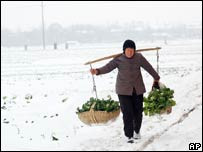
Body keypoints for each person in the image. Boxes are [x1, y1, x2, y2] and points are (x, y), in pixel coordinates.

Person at [90, 39, 160, 143]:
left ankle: (137, 131)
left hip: (137, 89)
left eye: (132, 50)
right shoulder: (118, 59)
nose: (130, 52)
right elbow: (108, 67)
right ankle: (129, 135)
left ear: (135, 50)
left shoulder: (139, 57)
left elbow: (148, 67)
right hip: (123, 90)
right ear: (124, 50)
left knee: (138, 112)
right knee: (127, 113)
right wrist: (97, 71)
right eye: (128, 50)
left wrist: (156, 77)